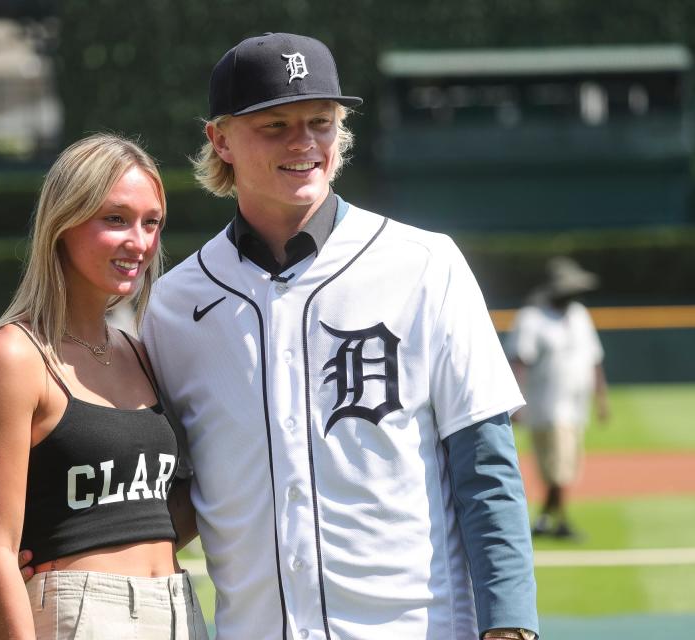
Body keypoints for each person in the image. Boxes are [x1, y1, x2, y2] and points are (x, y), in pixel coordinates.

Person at [138, 33, 538, 640]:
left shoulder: (425, 263)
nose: (303, 143)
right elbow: (167, 488)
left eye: (320, 122)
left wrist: (509, 627)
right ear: (219, 139)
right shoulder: (174, 304)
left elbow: (484, 465)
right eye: (275, 126)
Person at [0, 133, 207, 639]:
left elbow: (157, 509)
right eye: (114, 219)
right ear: (63, 224)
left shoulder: (141, 352)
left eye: (151, 222)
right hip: (84, 615)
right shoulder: (12, 356)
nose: (138, 241)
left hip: (180, 606)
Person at [506, 256, 610, 540]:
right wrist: (516, 402)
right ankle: (561, 522)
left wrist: (602, 398)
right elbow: (520, 361)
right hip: (546, 404)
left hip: (577, 404)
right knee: (558, 467)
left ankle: (542, 520)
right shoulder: (532, 318)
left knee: (566, 466)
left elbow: (594, 358)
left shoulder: (579, 315)